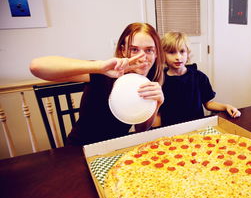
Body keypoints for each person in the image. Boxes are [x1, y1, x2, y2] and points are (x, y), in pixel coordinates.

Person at [30, 23, 165, 145]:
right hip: (80, 149)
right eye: (134, 49)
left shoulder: (149, 82)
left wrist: (156, 104)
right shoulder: (104, 72)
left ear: (156, 53)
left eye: (149, 50)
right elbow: (36, 67)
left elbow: (140, 129)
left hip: (115, 149)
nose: (142, 57)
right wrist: (99, 67)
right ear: (123, 50)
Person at [156, 31, 241, 127]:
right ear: (163, 55)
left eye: (182, 51)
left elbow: (208, 103)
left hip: (197, 127)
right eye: (172, 52)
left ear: (188, 53)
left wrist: (226, 107)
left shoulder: (199, 77)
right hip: (171, 130)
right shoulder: (159, 81)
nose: (178, 57)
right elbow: (158, 113)